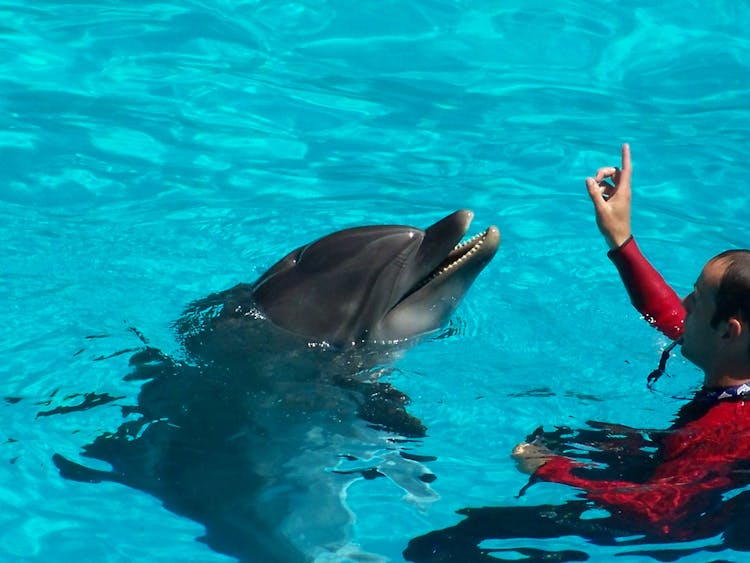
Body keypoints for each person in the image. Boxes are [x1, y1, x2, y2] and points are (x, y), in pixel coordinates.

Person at [511, 143, 750, 538]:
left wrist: (551, 469)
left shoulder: (725, 431)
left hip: (685, 536)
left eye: (697, 298)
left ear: (728, 331)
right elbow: (669, 315)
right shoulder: (734, 360)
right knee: (591, 438)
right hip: (688, 475)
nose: (683, 304)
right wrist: (620, 237)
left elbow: (658, 515)